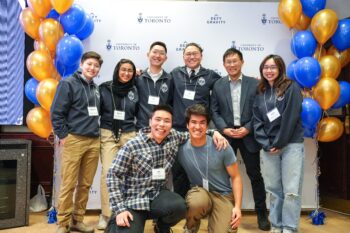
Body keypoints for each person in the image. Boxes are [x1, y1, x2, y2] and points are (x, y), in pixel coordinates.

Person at [105, 105, 227, 233]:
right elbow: (113, 175)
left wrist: (214, 132)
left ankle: (161, 227)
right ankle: (114, 222)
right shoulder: (132, 146)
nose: (162, 124)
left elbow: (193, 132)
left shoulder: (173, 137)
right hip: (133, 201)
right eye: (158, 119)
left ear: (171, 124)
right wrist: (120, 210)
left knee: (180, 207)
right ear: (150, 122)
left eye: (167, 121)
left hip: (157, 195)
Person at [211, 48, 270, 231]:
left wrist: (248, 128)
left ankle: (262, 214)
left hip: (248, 135)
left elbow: (260, 109)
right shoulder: (218, 84)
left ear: (242, 62)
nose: (232, 64)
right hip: (226, 136)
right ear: (224, 65)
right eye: (228, 62)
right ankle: (225, 213)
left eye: (235, 61)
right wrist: (223, 129)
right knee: (222, 177)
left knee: (255, 175)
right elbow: (214, 111)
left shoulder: (255, 83)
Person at [50, 51, 103, 233]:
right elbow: (56, 113)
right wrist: (64, 136)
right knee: (69, 183)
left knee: (85, 184)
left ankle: (77, 220)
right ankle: (62, 223)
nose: (92, 68)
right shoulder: (68, 83)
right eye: (89, 64)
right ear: (81, 64)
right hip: (74, 139)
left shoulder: (95, 88)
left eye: (96, 66)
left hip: (93, 141)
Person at [253, 54, 304, 233]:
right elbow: (257, 120)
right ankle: (276, 225)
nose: (269, 70)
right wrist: (266, 144)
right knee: (274, 190)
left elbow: (291, 118)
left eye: (273, 67)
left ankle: (289, 228)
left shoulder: (291, 88)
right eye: (265, 67)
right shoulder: (260, 92)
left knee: (291, 190)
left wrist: (279, 142)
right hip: (269, 149)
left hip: (291, 145)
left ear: (280, 68)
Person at [178, 104, 243, 233]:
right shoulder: (180, 148)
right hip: (200, 193)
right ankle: (190, 228)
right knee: (196, 202)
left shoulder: (221, 145)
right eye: (193, 122)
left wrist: (237, 207)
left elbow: (236, 177)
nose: (197, 126)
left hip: (223, 195)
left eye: (202, 123)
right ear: (187, 125)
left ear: (207, 126)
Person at [169, 42, 221, 197]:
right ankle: (181, 206)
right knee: (178, 170)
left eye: (195, 53)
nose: (191, 57)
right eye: (188, 54)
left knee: (199, 168)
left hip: (200, 130)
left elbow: (226, 86)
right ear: (183, 56)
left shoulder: (210, 75)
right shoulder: (175, 73)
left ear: (201, 56)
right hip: (178, 130)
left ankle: (200, 204)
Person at [97, 59, 138, 230]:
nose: (126, 73)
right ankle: (107, 214)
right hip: (108, 134)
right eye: (123, 70)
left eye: (130, 70)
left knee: (131, 174)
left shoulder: (136, 89)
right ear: (117, 70)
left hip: (129, 133)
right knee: (108, 172)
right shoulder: (104, 88)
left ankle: (127, 211)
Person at [135, 41, 171, 129]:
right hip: (141, 127)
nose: (157, 56)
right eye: (154, 52)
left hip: (162, 129)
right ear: (148, 54)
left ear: (165, 58)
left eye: (161, 53)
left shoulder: (170, 79)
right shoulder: (138, 77)